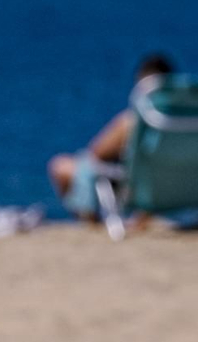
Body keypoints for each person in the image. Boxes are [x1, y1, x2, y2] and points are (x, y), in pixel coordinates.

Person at [47, 52, 174, 222]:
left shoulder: (131, 122)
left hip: (131, 185)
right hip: (169, 186)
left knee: (61, 166)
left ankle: (91, 220)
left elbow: (96, 152)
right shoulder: (189, 124)